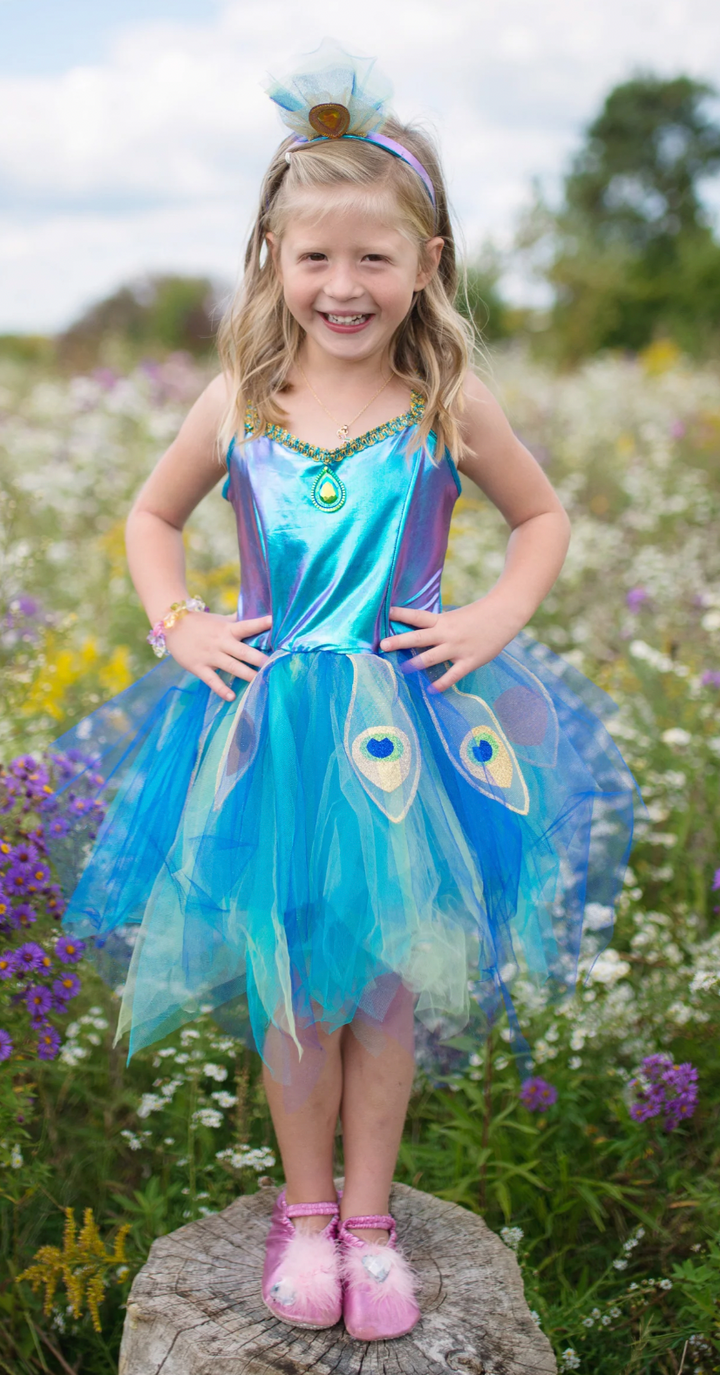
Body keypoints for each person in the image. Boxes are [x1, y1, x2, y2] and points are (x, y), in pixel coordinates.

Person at [46, 41, 639, 1343]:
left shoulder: (444, 399)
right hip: (264, 732)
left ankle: (370, 1221)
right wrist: (179, 616)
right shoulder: (240, 399)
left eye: (375, 256)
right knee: (290, 980)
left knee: (383, 985)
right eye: (314, 256)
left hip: (404, 738)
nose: (343, 284)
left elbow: (539, 520)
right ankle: (303, 1212)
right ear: (271, 259)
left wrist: (490, 613)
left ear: (425, 263)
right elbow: (154, 514)